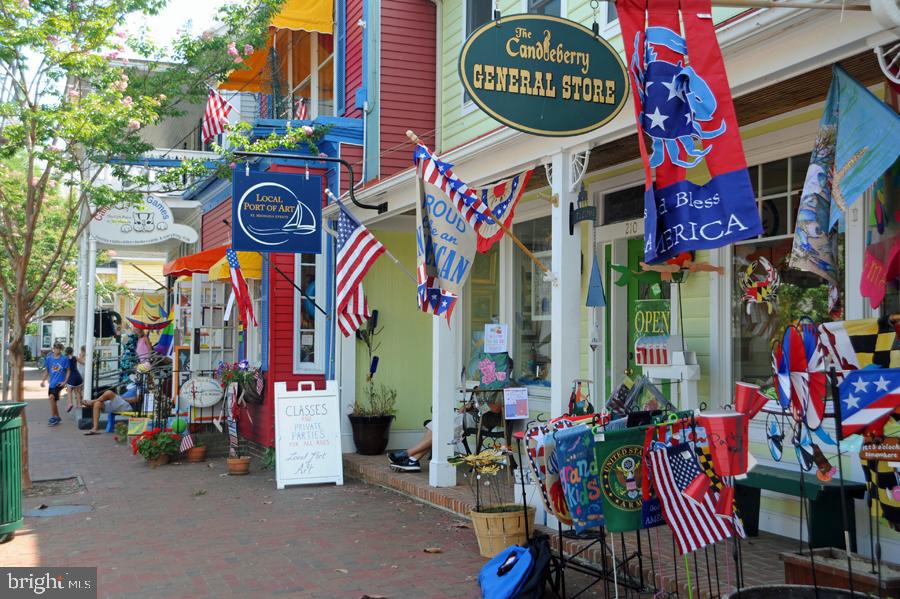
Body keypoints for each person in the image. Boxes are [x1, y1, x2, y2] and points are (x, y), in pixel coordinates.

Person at [388, 395, 504, 472]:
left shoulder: (504, 386)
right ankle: (413, 460)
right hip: (469, 416)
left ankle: (408, 454)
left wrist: (474, 405)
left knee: (446, 427)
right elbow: (467, 406)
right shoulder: (485, 384)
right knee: (438, 422)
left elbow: (496, 408)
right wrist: (467, 406)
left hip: (481, 421)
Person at [40, 342, 69, 426]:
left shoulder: (64, 359)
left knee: (52, 397)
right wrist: (43, 380)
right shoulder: (49, 359)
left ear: (61, 349)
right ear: (53, 348)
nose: (56, 349)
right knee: (53, 401)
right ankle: (58, 417)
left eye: (58, 348)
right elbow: (47, 370)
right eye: (55, 348)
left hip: (59, 383)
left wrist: (65, 381)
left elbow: (68, 371)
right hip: (52, 383)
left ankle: (53, 417)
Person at [64, 346, 84, 413]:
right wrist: (82, 356)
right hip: (77, 375)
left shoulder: (65, 359)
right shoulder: (75, 357)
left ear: (66, 352)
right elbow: (82, 362)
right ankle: (79, 404)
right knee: (77, 391)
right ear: (72, 352)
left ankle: (70, 403)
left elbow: (64, 368)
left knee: (69, 391)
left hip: (71, 376)